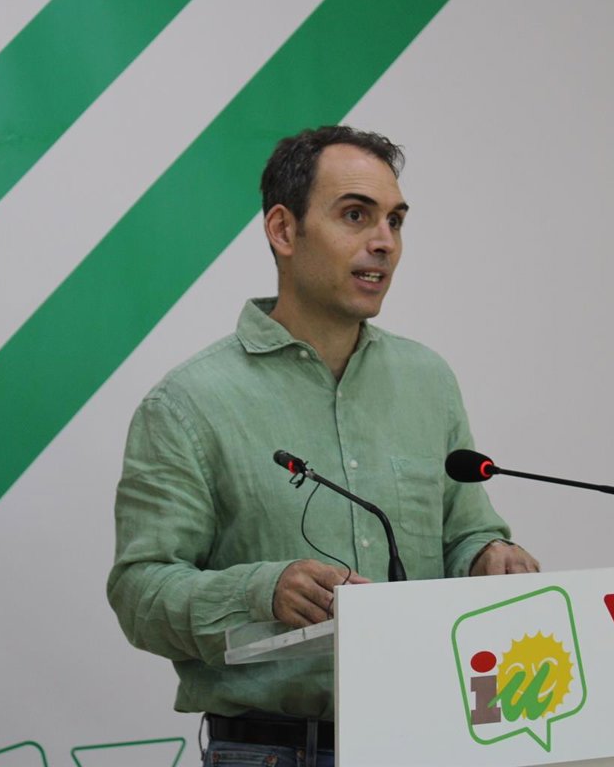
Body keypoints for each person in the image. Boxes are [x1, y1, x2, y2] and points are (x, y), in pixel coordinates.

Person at [107, 126, 538, 767]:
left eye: (395, 220)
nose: (383, 241)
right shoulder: (188, 403)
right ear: (284, 231)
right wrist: (261, 591)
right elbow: (140, 593)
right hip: (279, 752)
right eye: (356, 215)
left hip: (430, 741)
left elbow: (464, 534)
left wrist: (488, 557)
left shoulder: (428, 381)